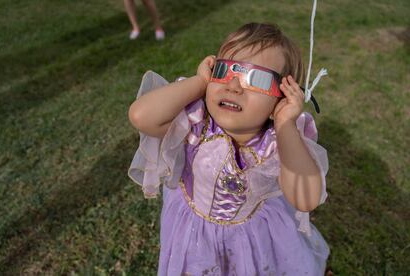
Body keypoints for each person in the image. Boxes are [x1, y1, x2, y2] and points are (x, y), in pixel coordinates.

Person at [128, 22, 329, 275]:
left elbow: (306, 199)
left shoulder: (277, 142)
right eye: (223, 71)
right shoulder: (195, 122)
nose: (233, 86)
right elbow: (141, 116)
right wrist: (200, 82)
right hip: (194, 230)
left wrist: (286, 124)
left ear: (283, 97)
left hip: (251, 235)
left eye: (256, 78)